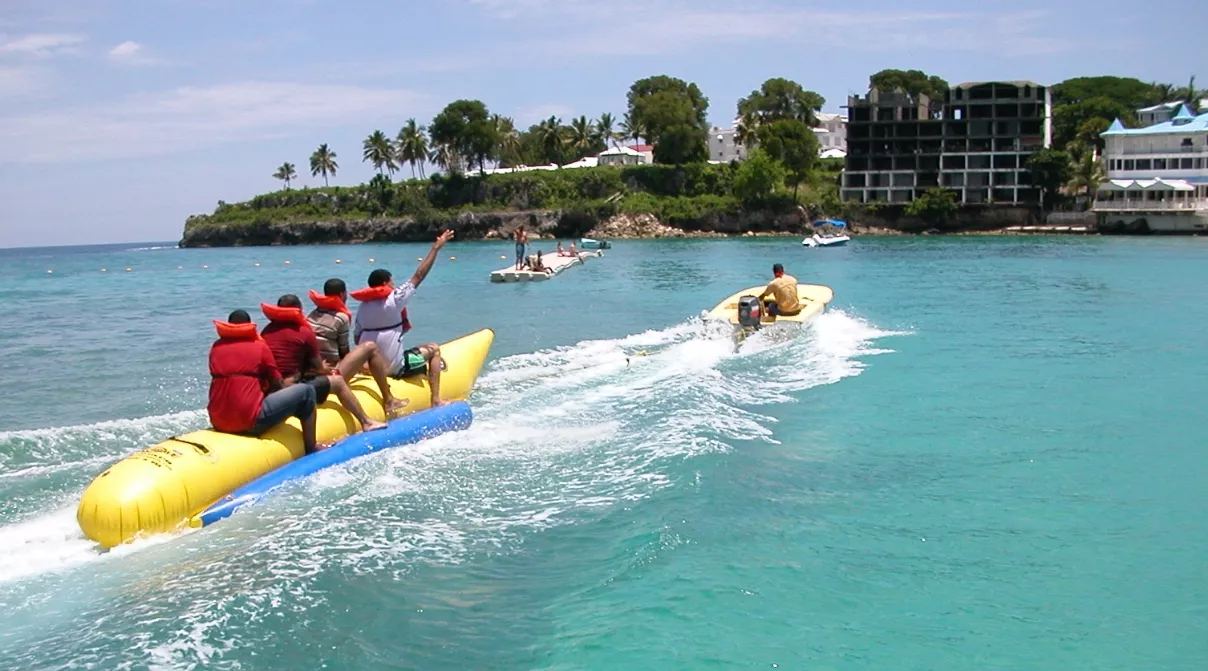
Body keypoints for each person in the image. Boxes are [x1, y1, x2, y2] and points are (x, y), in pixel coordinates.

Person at [354, 230, 453, 407]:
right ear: (385, 283)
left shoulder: (362, 307)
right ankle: (436, 399)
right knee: (434, 349)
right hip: (393, 368)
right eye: (392, 282)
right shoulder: (395, 299)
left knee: (415, 346)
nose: (394, 285)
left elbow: (356, 338)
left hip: (369, 367)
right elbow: (419, 275)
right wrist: (436, 248)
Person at [262, 295, 387, 432]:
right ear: (299, 310)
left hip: (272, 390)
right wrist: (325, 368)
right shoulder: (304, 331)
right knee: (338, 381)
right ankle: (366, 421)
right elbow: (319, 368)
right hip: (294, 389)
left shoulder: (266, 331)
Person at [207, 309, 319, 454]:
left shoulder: (216, 347)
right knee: (307, 391)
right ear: (249, 326)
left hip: (217, 421)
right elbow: (277, 384)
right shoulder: (259, 347)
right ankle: (311, 446)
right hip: (250, 422)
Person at [307, 278, 409, 416]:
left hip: (312, 374)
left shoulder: (311, 315)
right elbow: (344, 353)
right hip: (331, 374)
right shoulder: (340, 318)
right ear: (343, 294)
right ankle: (389, 399)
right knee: (370, 347)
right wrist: (360, 366)